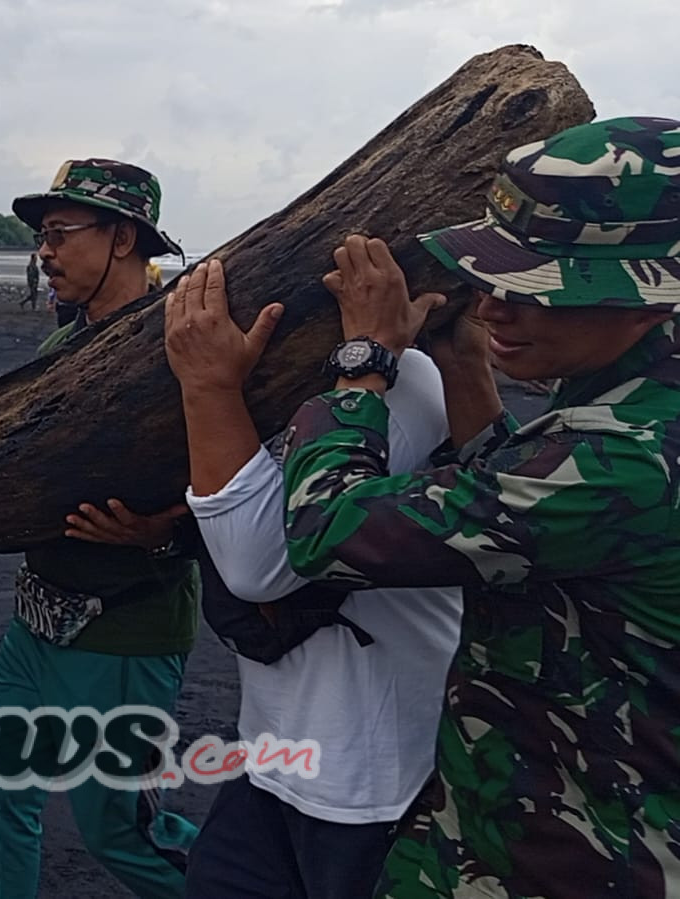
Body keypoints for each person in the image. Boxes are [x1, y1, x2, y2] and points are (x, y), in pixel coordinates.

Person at [279, 116, 680, 899]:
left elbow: (325, 529)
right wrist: (465, 366)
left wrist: (361, 361)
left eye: (541, 291)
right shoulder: (634, 406)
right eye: (493, 279)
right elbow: (523, 516)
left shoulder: (625, 458)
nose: (497, 307)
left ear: (646, 299)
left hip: (555, 863)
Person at [162, 257, 464, 899]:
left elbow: (260, 562)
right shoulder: (281, 398)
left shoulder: (406, 384)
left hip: (375, 779)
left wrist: (209, 389)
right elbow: (238, 507)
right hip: (274, 755)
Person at [0, 159, 198, 899]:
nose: (43, 253)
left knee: (119, 827)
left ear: (122, 237)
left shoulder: (179, 343)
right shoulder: (56, 351)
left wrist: (160, 531)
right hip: (35, 620)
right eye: (39, 237)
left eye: (59, 233)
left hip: (122, 631)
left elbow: (245, 472)